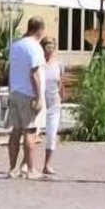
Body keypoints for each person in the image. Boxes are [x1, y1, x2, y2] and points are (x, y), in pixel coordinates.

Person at [6, 17, 46, 180]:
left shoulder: (15, 45)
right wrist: (38, 97)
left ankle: (12, 168)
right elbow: (34, 73)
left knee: (15, 131)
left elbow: (12, 69)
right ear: (40, 30)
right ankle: (30, 169)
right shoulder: (35, 47)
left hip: (15, 91)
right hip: (28, 93)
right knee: (30, 131)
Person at [40, 37, 64, 176]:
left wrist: (61, 97)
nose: (50, 50)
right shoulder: (39, 64)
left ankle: (47, 164)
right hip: (40, 102)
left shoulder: (58, 64)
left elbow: (61, 82)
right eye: (47, 47)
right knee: (34, 133)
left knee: (52, 134)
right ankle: (27, 162)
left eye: (52, 47)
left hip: (54, 102)